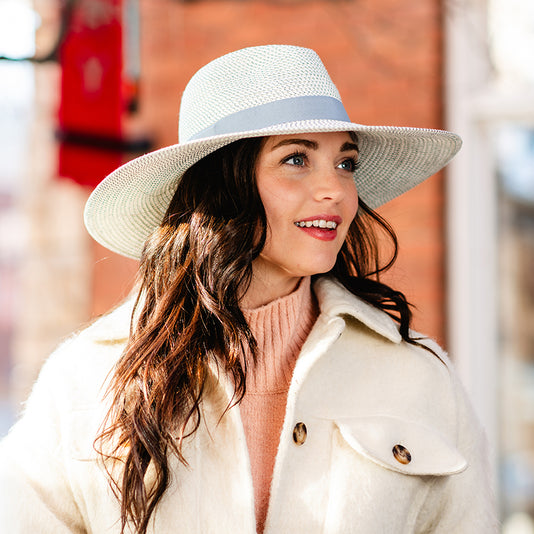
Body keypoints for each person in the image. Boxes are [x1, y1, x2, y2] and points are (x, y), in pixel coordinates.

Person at [0, 45, 497, 533]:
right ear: (224, 184)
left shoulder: (417, 377)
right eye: (297, 159)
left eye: (345, 163)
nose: (336, 190)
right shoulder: (88, 376)